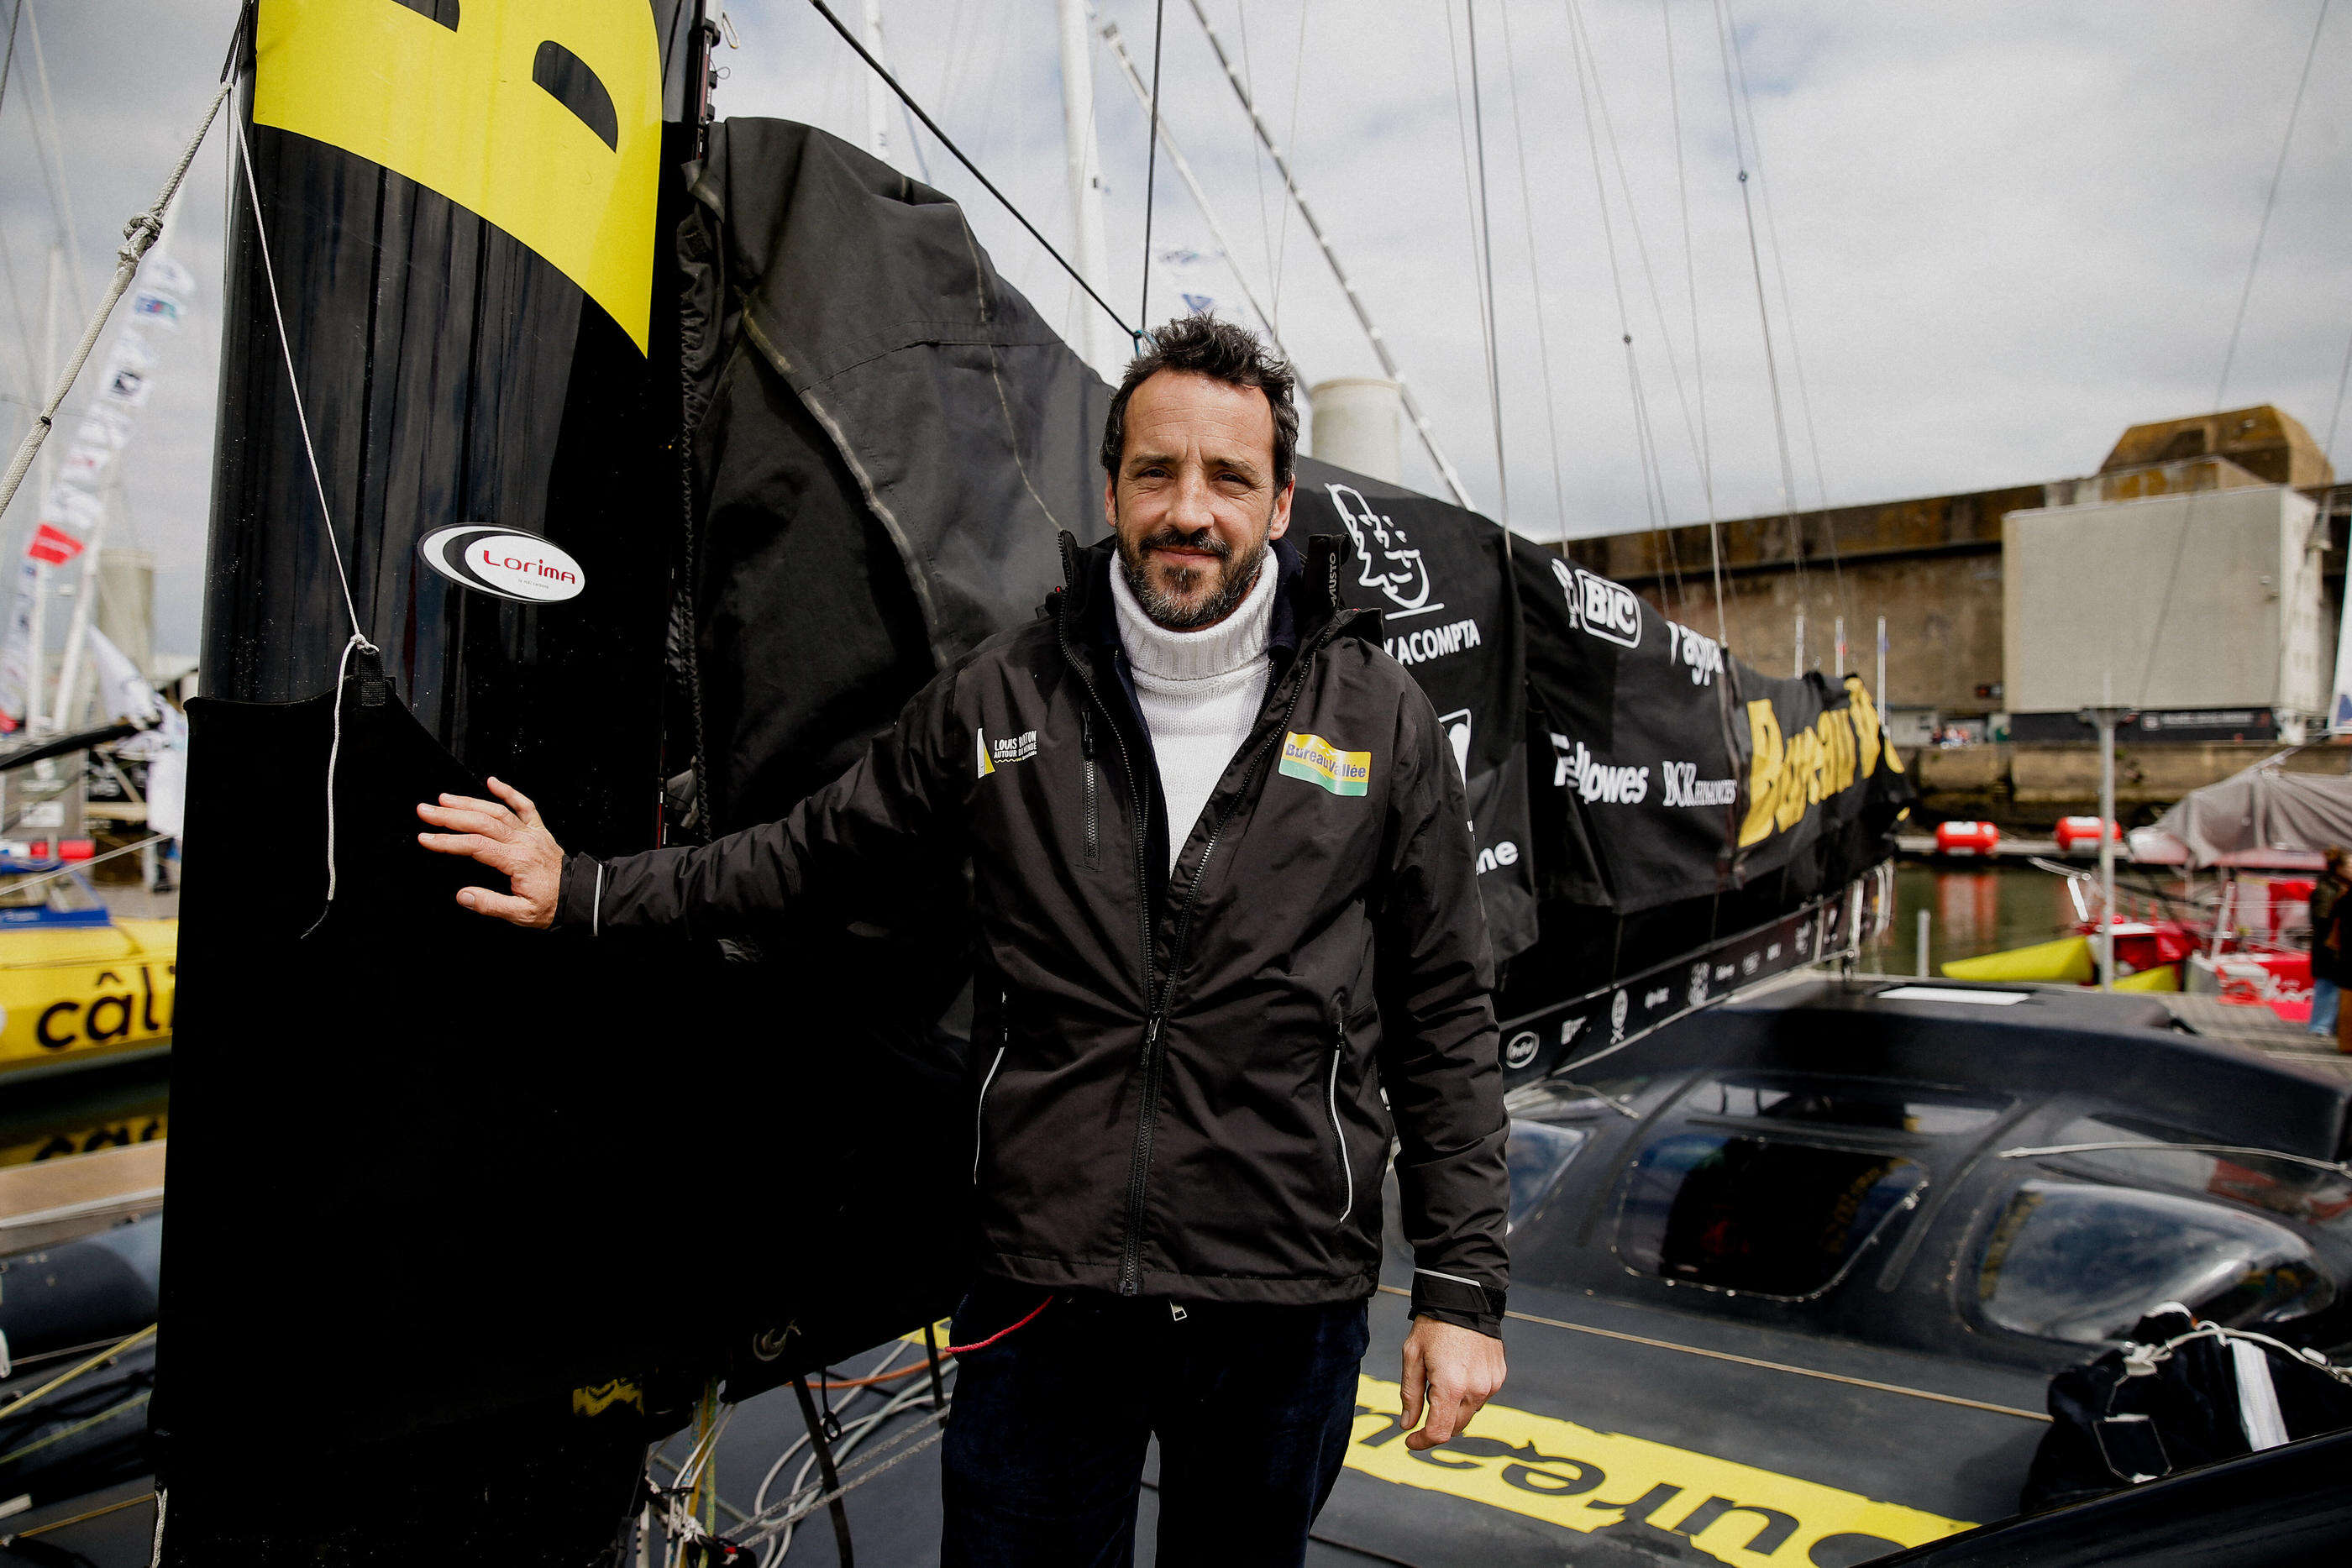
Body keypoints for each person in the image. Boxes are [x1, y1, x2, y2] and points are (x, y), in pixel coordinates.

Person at [415, 317, 1509, 1564]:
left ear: (1280, 502)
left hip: (1283, 1296)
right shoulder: (1003, 695)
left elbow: (1445, 1012)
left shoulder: (1381, 719)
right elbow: (808, 857)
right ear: (1111, 488)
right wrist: (591, 889)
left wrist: (1461, 1289)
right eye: (1157, 473)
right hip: (1044, 1284)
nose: (1189, 509)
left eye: (1228, 478)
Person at [2316, 847, 2351, 1049]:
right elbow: (2322, 919)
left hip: (2339, 949)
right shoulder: (2331, 890)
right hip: (2335, 950)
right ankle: (2321, 1028)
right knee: (2329, 988)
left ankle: (2327, 1028)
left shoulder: (2341, 891)